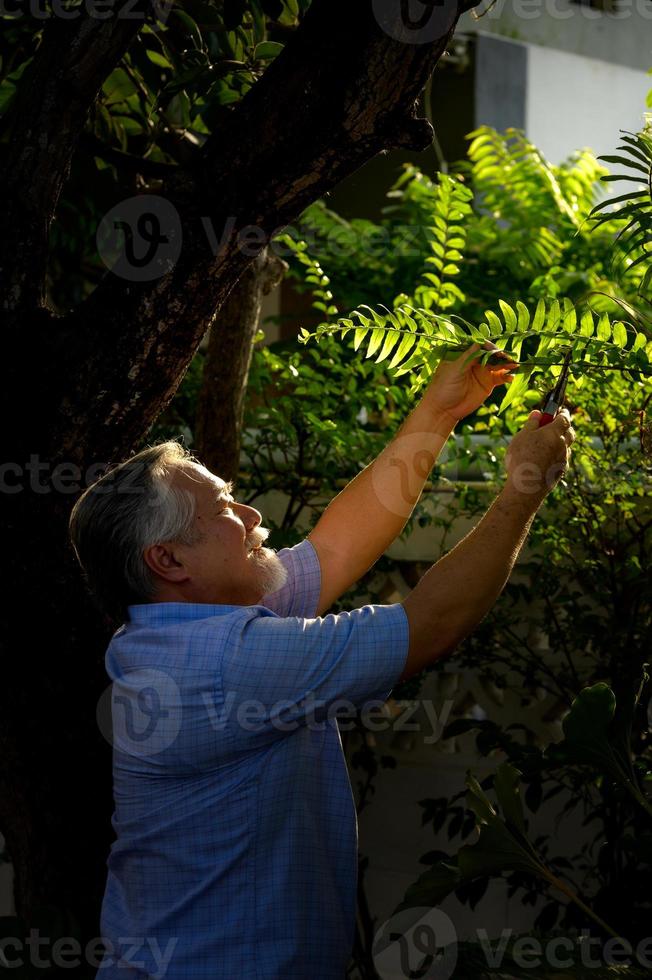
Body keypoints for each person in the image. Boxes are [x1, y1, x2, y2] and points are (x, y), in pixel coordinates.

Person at [68, 344, 575, 979]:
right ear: (169, 562)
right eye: (227, 510)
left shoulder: (177, 627)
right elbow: (431, 625)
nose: (253, 516)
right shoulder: (223, 660)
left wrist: (439, 413)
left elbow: (336, 546)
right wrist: (523, 491)